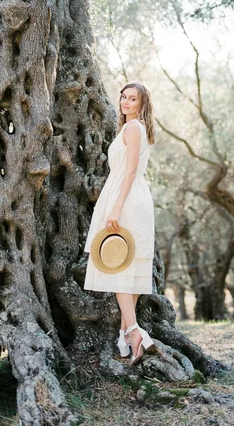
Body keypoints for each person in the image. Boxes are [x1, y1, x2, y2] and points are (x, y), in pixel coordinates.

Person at [84, 81, 155, 364]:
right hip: (129, 195)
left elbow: (130, 171)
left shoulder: (134, 128)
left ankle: (135, 332)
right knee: (128, 265)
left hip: (126, 198)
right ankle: (126, 332)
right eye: (124, 97)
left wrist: (115, 208)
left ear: (142, 104)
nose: (126, 102)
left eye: (133, 98)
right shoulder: (134, 128)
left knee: (118, 265)